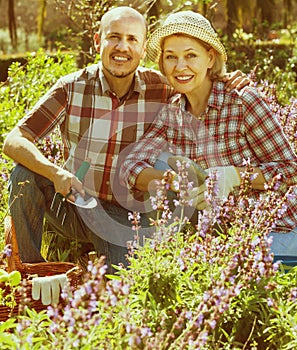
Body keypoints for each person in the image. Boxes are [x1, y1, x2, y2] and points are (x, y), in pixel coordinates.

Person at [3, 7, 249, 273]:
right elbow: (14, 139)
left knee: (120, 284)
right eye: (114, 37)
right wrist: (55, 172)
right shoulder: (71, 88)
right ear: (98, 41)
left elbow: (194, 79)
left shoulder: (160, 88)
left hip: (126, 217)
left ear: (143, 50)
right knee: (23, 175)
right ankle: (28, 271)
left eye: (132, 39)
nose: (123, 47)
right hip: (76, 206)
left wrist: (226, 79)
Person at [120, 10, 297, 256]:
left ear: (210, 58)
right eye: (171, 57)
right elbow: (130, 165)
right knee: (162, 162)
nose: (180, 66)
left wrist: (233, 177)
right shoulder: (172, 113)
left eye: (191, 55)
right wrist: (173, 181)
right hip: (225, 236)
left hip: (279, 230)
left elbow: (290, 170)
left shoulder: (242, 101)